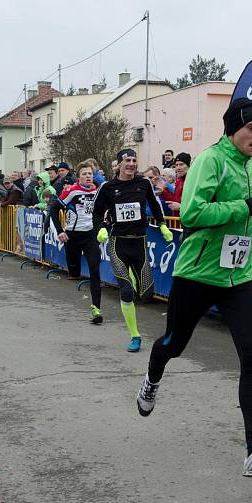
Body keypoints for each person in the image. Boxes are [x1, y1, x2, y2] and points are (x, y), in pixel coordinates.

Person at [136, 97, 252, 479]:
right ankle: (152, 379)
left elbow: (246, 212)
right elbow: (192, 214)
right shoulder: (210, 160)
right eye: (251, 129)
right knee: (174, 344)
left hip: (237, 277)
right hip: (197, 274)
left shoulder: (250, 167)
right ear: (233, 128)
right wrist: (244, 207)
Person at [92, 148, 173, 352]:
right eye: (127, 160)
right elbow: (97, 212)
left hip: (140, 243)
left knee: (146, 294)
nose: (131, 164)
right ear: (119, 164)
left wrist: (162, 225)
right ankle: (135, 335)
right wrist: (101, 228)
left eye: (134, 160)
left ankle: (136, 281)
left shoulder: (144, 183)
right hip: (118, 244)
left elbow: (155, 206)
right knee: (126, 291)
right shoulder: (107, 187)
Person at [50, 160, 104, 324]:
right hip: (73, 236)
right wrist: (59, 231)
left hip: (90, 236)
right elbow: (53, 208)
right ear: (78, 177)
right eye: (84, 174)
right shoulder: (72, 191)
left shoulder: (98, 191)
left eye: (90, 174)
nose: (88, 176)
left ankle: (96, 310)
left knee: (95, 271)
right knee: (74, 272)